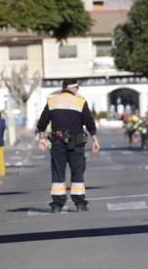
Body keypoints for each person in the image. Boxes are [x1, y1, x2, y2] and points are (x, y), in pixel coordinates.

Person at [35, 79, 101, 212]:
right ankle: (80, 203)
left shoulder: (52, 101)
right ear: (71, 88)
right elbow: (89, 122)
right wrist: (95, 139)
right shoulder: (80, 101)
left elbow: (42, 123)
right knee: (77, 172)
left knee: (58, 173)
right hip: (76, 143)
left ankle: (57, 204)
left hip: (57, 142)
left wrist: (42, 139)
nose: (78, 90)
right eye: (77, 87)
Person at [0, 108, 6, 180]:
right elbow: (3, 129)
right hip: (0, 141)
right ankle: (2, 171)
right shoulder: (3, 121)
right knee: (1, 157)